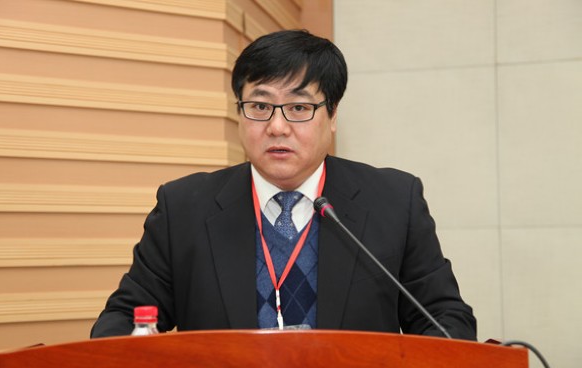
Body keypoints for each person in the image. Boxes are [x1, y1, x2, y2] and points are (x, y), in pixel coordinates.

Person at [91, 29, 476, 340]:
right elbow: (124, 317)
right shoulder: (183, 208)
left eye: (299, 107)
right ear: (239, 113)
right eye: (260, 106)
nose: (277, 127)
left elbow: (445, 318)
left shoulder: (393, 201)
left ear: (333, 116)